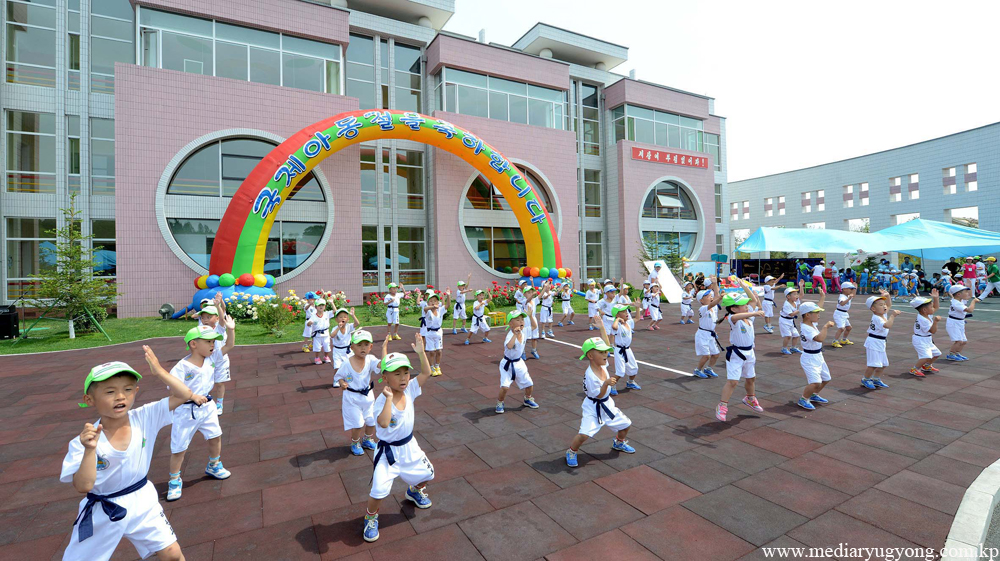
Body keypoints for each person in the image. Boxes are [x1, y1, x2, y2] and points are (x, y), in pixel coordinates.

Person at [60, 347, 200, 561]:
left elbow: (184, 394)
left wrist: (160, 371)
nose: (120, 396)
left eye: (127, 389)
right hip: (103, 507)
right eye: (109, 391)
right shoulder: (84, 442)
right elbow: (83, 486)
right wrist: (90, 450)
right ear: (89, 399)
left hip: (142, 498)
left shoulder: (145, 417)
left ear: (136, 391)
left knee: (173, 554)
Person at [363, 334, 436, 543]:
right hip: (388, 452)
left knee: (427, 474)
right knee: (378, 490)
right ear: (384, 377)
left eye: (406, 372)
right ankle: (371, 517)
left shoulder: (411, 388)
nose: (404, 377)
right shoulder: (381, 399)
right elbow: (384, 423)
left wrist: (421, 353)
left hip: (409, 446)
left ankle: (414, 490)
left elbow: (426, 372)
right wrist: (387, 399)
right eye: (397, 374)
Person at [166, 321, 236, 501]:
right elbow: (173, 390)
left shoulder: (211, 359)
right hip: (185, 410)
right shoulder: (181, 368)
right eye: (208, 342)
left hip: (207, 406)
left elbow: (229, 345)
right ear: (193, 344)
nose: (213, 345)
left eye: (213, 342)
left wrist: (231, 329)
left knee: (215, 436)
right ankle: (174, 480)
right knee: (179, 447)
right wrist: (192, 396)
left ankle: (214, 464)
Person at [565, 322, 635, 468]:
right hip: (593, 406)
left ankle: (619, 442)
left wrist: (602, 327)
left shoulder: (602, 364)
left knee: (626, 424)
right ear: (590, 355)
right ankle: (571, 451)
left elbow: (607, 343)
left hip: (607, 404)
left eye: (606, 352)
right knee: (584, 434)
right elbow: (597, 396)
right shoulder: (590, 375)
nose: (606, 354)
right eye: (602, 352)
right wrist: (605, 384)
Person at [715, 282, 765, 422]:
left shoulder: (749, 318)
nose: (747, 305)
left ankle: (750, 398)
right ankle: (722, 406)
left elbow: (753, 300)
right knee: (733, 382)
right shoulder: (733, 318)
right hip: (737, 354)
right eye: (743, 304)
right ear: (734, 309)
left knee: (751, 378)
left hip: (750, 353)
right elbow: (738, 315)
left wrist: (744, 286)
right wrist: (755, 311)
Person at [335, 331, 388, 455]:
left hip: (368, 396)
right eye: (359, 345)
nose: (362, 348)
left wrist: (384, 348)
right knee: (358, 423)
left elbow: (383, 365)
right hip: (352, 398)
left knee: (371, 420)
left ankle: (367, 439)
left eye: (366, 344)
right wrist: (342, 383)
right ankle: (355, 442)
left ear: (370, 347)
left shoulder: (370, 359)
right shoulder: (347, 363)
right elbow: (339, 376)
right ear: (352, 347)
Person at [496, 310, 539, 414]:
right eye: (517, 320)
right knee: (505, 387)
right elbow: (509, 346)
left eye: (522, 319)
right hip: (507, 364)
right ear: (510, 324)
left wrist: (530, 316)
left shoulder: (524, 331)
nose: (521, 321)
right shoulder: (510, 335)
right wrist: (515, 334)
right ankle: (500, 402)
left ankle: (528, 398)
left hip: (519, 363)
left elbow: (534, 326)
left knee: (529, 384)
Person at [796, 298, 834, 410]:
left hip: (818, 356)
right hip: (809, 357)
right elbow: (820, 338)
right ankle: (803, 399)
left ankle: (813, 394)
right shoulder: (807, 328)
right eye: (816, 313)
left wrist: (822, 297)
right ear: (808, 315)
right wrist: (825, 327)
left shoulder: (810, 323)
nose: (819, 315)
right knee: (815, 382)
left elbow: (816, 307)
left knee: (826, 378)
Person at [198, 295, 231, 415]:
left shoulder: (219, 329)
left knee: (220, 382)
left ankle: (219, 403)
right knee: (205, 380)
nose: (205, 320)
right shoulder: (201, 329)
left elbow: (223, 320)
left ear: (216, 318)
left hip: (220, 359)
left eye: (208, 317)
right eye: (203, 317)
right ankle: (205, 400)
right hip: (207, 359)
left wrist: (218, 304)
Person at [861, 291, 899, 390]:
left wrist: (887, 296)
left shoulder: (882, 314)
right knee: (873, 364)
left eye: (884, 304)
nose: (884, 306)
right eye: (881, 305)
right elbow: (888, 325)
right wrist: (893, 316)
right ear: (873, 309)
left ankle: (876, 378)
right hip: (874, 342)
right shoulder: (877, 317)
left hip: (880, 342)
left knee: (883, 364)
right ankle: (866, 379)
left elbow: (889, 304)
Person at [693, 277, 726, 379]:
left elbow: (715, 295)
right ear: (701, 300)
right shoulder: (703, 308)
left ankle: (709, 369)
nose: (710, 296)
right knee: (706, 355)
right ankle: (697, 370)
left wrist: (715, 283)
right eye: (707, 296)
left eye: (710, 295)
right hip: (702, 335)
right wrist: (720, 298)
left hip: (710, 334)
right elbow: (714, 301)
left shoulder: (713, 307)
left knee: (715, 354)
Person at [910, 291, 942, 377]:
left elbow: (936, 307)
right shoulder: (923, 319)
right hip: (920, 340)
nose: (933, 308)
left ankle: (926, 366)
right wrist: (935, 322)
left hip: (926, 339)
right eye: (931, 307)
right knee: (926, 356)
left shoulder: (926, 314)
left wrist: (936, 298)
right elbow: (933, 331)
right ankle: (915, 368)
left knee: (936, 354)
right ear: (924, 310)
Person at [610, 304, 641, 391]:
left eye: (626, 311)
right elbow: (614, 327)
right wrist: (617, 320)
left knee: (634, 368)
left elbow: (637, 318)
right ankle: (612, 385)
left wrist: (637, 308)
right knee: (620, 371)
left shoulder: (629, 323)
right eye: (623, 312)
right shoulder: (618, 326)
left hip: (628, 349)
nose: (626, 313)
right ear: (617, 315)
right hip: (619, 350)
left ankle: (630, 382)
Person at [419, 290, 449, 376]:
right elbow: (425, 309)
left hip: (438, 332)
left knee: (439, 351)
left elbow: (447, 306)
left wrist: (448, 296)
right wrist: (432, 307)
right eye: (431, 301)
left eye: (435, 301)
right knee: (432, 352)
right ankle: (431, 368)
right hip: (430, 332)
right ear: (428, 302)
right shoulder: (428, 311)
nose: (433, 302)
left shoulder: (440, 310)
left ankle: (437, 366)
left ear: (438, 302)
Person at [946, 284, 976, 361]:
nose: (967, 293)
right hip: (953, 322)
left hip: (959, 321)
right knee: (959, 341)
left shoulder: (960, 300)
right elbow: (970, 310)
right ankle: (951, 354)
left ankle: (957, 353)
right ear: (959, 294)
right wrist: (974, 301)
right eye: (965, 292)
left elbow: (969, 296)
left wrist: (971, 286)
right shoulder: (956, 303)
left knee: (964, 341)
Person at [779, 281, 806, 355]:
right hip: (784, 321)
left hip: (790, 321)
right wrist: (799, 310)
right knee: (788, 336)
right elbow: (791, 314)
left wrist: (801, 286)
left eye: (796, 294)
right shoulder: (787, 304)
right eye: (794, 294)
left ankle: (793, 347)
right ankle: (784, 348)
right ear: (788, 297)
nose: (797, 296)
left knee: (796, 335)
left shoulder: (795, 301)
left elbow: (802, 295)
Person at [307, 299, 333, 365]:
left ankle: (326, 356)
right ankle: (317, 358)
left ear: (325, 306)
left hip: (326, 334)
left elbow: (335, 311)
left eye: (322, 305)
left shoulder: (327, 314)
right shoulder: (313, 316)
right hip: (317, 335)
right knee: (317, 348)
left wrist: (332, 303)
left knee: (327, 347)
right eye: (319, 305)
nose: (321, 307)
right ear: (316, 307)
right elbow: (308, 324)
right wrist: (310, 323)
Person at [831, 282, 856, 348]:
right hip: (839, 313)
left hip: (844, 313)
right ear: (844, 289)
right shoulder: (842, 296)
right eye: (850, 289)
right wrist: (849, 299)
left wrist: (855, 288)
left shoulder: (848, 296)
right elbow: (842, 303)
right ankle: (835, 341)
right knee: (841, 328)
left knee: (848, 328)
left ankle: (844, 340)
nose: (851, 290)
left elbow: (853, 294)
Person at [523, 284, 542, 359]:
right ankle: (523, 352)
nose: (530, 294)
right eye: (528, 292)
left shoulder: (534, 301)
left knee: (535, 337)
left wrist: (545, 287)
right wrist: (533, 294)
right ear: (524, 294)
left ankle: (534, 350)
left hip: (533, 319)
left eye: (531, 292)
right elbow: (528, 299)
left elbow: (540, 296)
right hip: (526, 320)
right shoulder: (524, 301)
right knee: (525, 337)